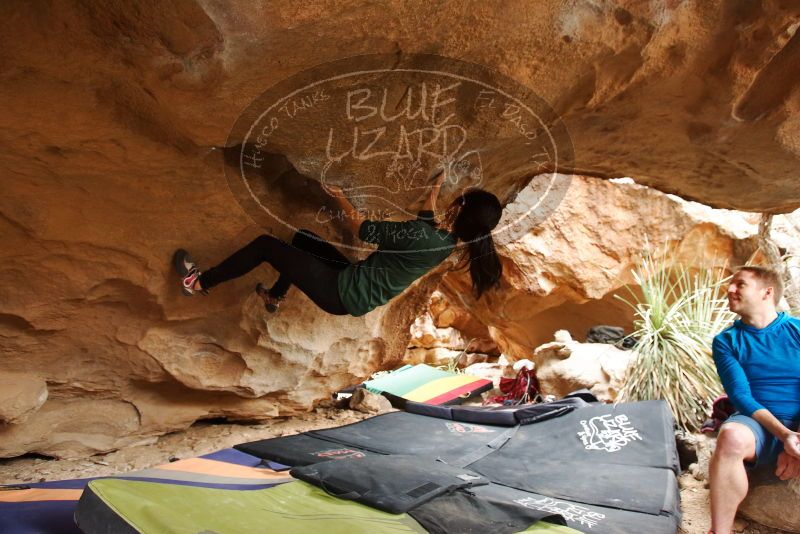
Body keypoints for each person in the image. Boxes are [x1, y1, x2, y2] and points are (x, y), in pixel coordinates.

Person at [173, 171, 503, 317]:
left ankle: (199, 282)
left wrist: (340, 196)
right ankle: (275, 295)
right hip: (354, 285)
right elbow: (427, 221)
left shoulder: (424, 238)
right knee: (305, 239)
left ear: (458, 208)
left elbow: (361, 228)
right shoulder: (444, 243)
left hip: (341, 292)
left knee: (265, 246)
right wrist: (434, 190)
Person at [708, 266, 800, 534]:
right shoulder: (727, 341)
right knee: (730, 437)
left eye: (740, 284)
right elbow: (741, 396)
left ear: (766, 292)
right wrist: (784, 436)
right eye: (730, 284)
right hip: (756, 424)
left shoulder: (796, 331)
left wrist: (796, 438)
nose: (730, 289)